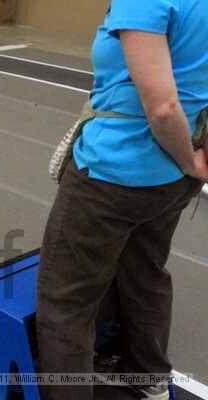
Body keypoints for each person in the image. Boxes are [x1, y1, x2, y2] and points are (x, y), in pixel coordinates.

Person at [36, 0, 208, 399]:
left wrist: (191, 163)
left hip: (117, 175)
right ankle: (149, 378)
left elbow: (163, 109)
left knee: (67, 302)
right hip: (171, 178)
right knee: (144, 271)